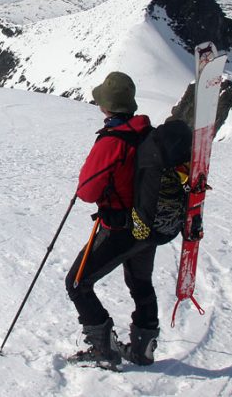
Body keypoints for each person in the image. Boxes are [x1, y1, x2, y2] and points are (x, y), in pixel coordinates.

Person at [64, 71, 160, 367]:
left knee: (77, 282)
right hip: (148, 223)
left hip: (120, 227)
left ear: (106, 106)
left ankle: (104, 350)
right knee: (141, 283)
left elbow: (88, 190)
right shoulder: (147, 132)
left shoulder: (113, 140)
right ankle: (143, 349)